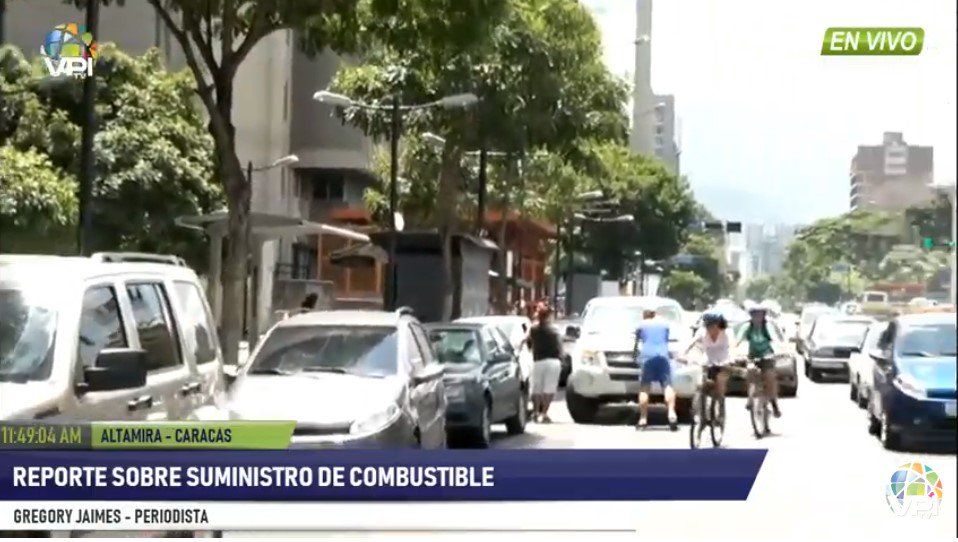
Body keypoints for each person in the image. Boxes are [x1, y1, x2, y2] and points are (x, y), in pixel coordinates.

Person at [680, 311, 731, 421]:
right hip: (708, 361)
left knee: (720, 385)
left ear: (718, 324)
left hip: (723, 361)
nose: (709, 327)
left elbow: (733, 347)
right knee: (701, 384)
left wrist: (734, 358)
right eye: (707, 325)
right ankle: (701, 412)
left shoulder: (727, 333)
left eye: (712, 324)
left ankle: (721, 412)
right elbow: (690, 343)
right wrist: (683, 354)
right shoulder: (702, 332)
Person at [634, 307, 677, 430]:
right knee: (667, 386)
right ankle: (671, 414)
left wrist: (634, 357)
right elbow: (665, 340)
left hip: (647, 356)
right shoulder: (664, 324)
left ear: (644, 315)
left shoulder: (641, 325)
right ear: (655, 314)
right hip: (663, 355)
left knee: (645, 387)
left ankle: (643, 419)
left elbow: (637, 344)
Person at [736, 303, 781, 417]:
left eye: (760, 315)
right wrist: (734, 351)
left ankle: (774, 404)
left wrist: (779, 350)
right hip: (753, 356)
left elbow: (775, 339)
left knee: (769, 378)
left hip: (767, 356)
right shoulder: (747, 326)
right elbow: (738, 339)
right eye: (755, 315)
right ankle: (750, 397)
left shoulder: (767, 326)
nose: (757, 318)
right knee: (750, 372)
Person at [527, 305, 562, 423]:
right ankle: (544, 413)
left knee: (536, 388)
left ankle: (536, 412)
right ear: (549, 316)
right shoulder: (555, 329)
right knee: (549, 388)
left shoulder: (533, 329)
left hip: (538, 361)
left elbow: (527, 341)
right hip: (553, 361)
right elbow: (560, 346)